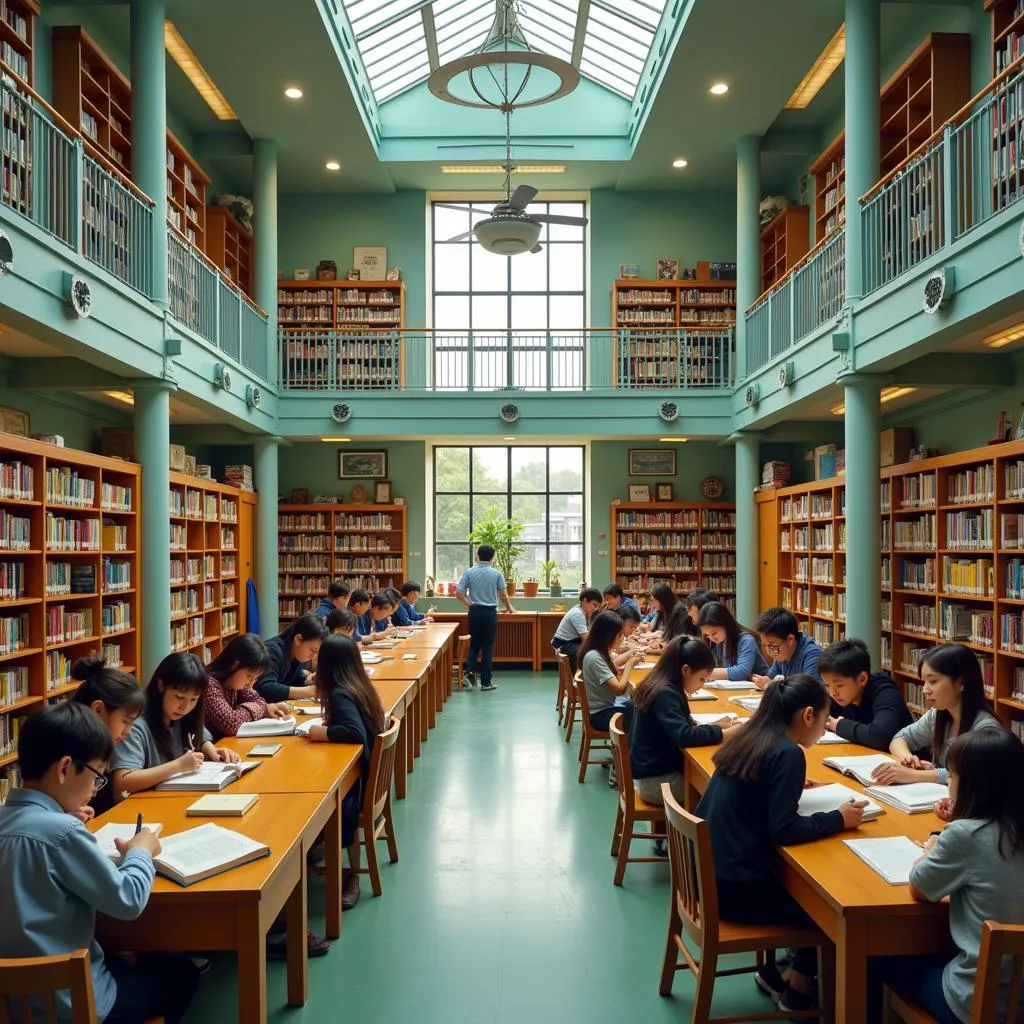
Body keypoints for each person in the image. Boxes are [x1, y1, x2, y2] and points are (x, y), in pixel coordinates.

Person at [0, 702, 199, 1024]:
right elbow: (128, 901)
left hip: (11, 1006)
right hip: (76, 1008)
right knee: (179, 971)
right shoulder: (63, 832)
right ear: (65, 768)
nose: (95, 790)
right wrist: (141, 851)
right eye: (96, 777)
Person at [695, 675, 866, 1014]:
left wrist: (788, 788)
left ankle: (775, 974)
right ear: (807, 715)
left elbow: (754, 792)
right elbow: (784, 830)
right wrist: (838, 819)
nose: (823, 729)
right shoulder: (788, 752)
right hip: (735, 892)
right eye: (823, 719)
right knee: (825, 911)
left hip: (710, 879)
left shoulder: (751, 737)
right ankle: (799, 992)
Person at [867, 729, 1024, 1024]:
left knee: (874, 956)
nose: (949, 784)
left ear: (974, 785)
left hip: (976, 1003)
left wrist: (935, 844)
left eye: (951, 777)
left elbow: (920, 887)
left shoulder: (966, 836)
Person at [306, 635, 387, 910]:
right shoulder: (359, 685)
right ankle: (318, 848)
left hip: (359, 788)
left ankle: (348, 872)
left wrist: (322, 733)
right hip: (368, 779)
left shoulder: (341, 692)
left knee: (322, 800)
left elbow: (354, 732)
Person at [629, 637, 743, 818]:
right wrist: (727, 733)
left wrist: (714, 725)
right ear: (685, 670)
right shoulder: (665, 693)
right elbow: (685, 736)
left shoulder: (661, 684)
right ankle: (697, 842)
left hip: (654, 775)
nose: (701, 686)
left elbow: (682, 727)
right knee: (722, 793)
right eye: (701, 679)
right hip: (657, 783)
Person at [872, 643, 1003, 786]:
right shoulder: (938, 714)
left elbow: (971, 774)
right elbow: (900, 738)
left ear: (961, 683)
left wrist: (915, 775)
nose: (925, 690)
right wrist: (908, 759)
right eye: (924, 682)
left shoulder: (986, 729)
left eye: (933, 681)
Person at [112, 652, 241, 798]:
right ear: (161, 685)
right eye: (179, 697)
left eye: (193, 699)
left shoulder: (181, 714)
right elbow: (122, 782)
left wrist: (212, 750)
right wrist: (178, 766)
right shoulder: (135, 724)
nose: (185, 707)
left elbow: (199, 735)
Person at [71, 655, 145, 816]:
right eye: (126, 721)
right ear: (98, 710)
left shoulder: (100, 747)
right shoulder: (72, 755)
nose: (129, 731)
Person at [819, 637, 913, 751]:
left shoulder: (886, 693)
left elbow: (879, 736)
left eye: (839, 685)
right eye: (827, 686)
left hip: (905, 762)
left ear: (862, 679)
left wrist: (838, 725)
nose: (832, 693)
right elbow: (819, 715)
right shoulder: (841, 695)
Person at [580, 611, 640, 787]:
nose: (621, 639)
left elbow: (614, 673)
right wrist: (630, 664)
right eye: (619, 635)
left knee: (634, 707)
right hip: (600, 715)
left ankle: (622, 757)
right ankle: (621, 763)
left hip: (604, 708)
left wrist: (624, 666)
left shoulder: (599, 652)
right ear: (608, 636)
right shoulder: (594, 657)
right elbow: (619, 689)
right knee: (636, 710)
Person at [205, 633, 292, 740]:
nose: (251, 684)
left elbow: (258, 700)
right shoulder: (209, 684)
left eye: (255, 679)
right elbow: (231, 723)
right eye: (249, 676)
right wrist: (258, 708)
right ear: (235, 664)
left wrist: (265, 707)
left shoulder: (236, 684)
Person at [456, 544, 516, 692]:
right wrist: (510, 608)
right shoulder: (496, 574)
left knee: (475, 645)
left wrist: (467, 602)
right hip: (489, 613)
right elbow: (503, 594)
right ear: (492, 557)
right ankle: (486, 683)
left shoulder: (469, 572)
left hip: (474, 612)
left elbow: (458, 592)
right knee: (487, 647)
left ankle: (470, 672)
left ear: (477, 556)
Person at [254, 613, 328, 702]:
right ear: (298, 639)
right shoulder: (272, 651)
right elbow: (265, 688)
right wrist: (310, 691)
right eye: (313, 650)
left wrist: (309, 682)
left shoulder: (295, 654)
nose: (313, 656)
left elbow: (295, 680)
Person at [698, 601, 769, 681]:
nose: (711, 638)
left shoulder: (747, 640)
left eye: (714, 633)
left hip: (759, 689)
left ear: (726, 624)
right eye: (707, 635)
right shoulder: (719, 642)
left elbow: (742, 672)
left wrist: (706, 673)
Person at [752, 606, 823, 687]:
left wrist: (769, 684)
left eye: (772, 646)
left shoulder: (812, 655)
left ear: (790, 639)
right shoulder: (782, 652)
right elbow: (770, 676)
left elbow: (809, 692)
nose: (769, 652)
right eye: (765, 645)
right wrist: (761, 681)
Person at [550, 587, 602, 672]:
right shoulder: (578, 614)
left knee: (593, 650)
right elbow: (586, 638)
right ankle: (578, 680)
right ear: (585, 601)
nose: (595, 609)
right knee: (589, 653)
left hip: (569, 642)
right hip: (564, 644)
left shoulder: (581, 610)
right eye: (594, 605)